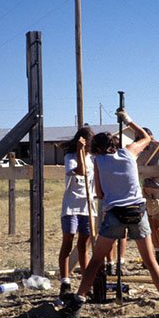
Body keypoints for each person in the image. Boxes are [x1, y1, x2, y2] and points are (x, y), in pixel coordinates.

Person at [59, 110, 159, 318]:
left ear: (97, 149)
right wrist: (128, 120)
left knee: (95, 261)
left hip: (114, 214)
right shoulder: (129, 153)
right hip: (137, 212)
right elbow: (146, 137)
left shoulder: (98, 162)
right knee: (150, 260)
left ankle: (77, 304)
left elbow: (101, 194)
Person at [57, 126, 95, 298]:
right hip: (72, 205)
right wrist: (79, 151)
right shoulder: (70, 156)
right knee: (68, 240)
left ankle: (86, 281)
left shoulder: (93, 159)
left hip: (88, 205)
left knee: (83, 245)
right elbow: (81, 171)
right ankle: (65, 281)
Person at [136, 127, 159, 269]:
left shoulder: (158, 149)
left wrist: (151, 140)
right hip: (147, 192)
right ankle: (158, 253)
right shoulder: (143, 151)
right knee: (150, 226)